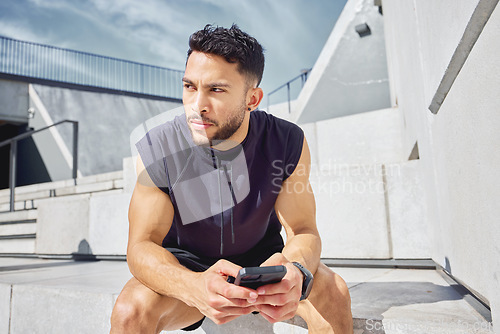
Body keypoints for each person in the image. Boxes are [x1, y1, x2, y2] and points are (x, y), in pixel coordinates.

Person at [110, 24, 353, 334]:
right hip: (189, 265)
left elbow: (303, 229)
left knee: (335, 292)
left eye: (216, 89)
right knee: (130, 311)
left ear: (252, 98)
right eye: (189, 86)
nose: (197, 105)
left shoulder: (286, 140)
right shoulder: (158, 148)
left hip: (264, 265)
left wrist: (294, 267)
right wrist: (192, 285)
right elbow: (141, 246)